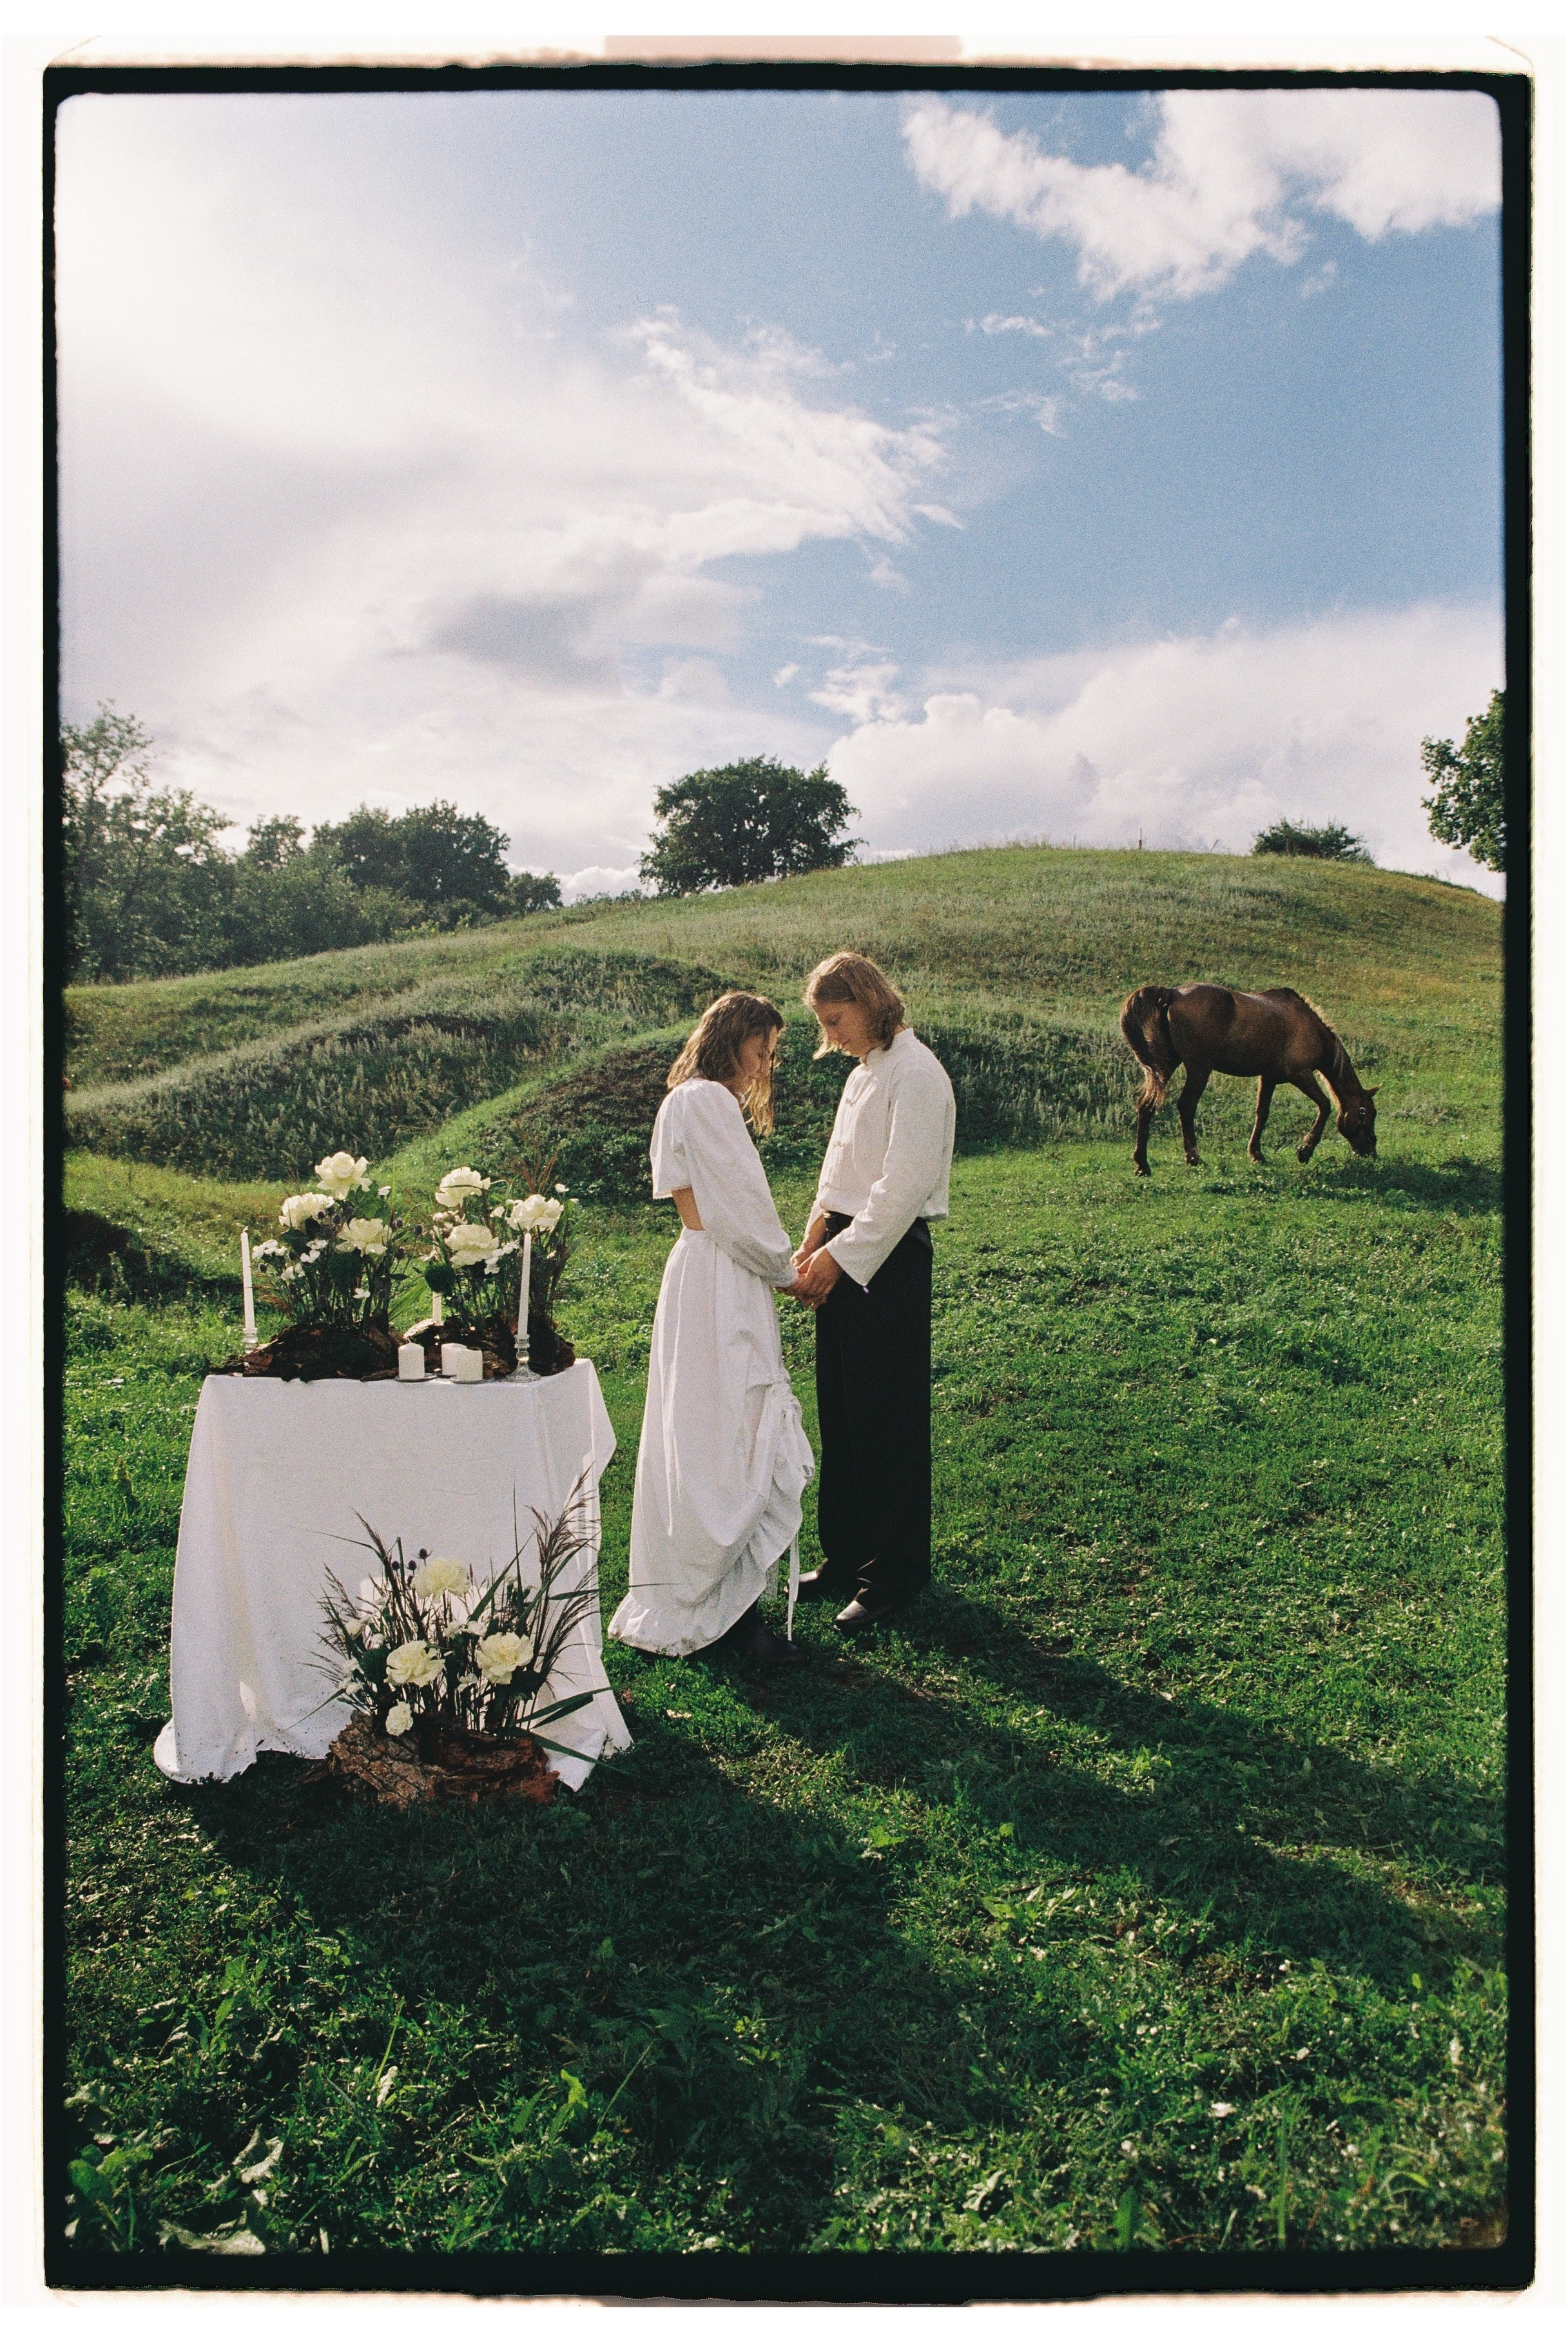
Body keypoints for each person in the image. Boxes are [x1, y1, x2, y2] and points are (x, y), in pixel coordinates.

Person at [608, 991, 813, 1671]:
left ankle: (714, 1598)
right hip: (721, 1275)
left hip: (700, 1271)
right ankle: (724, 1611)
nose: (763, 1067)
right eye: (759, 1050)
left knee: (702, 1428)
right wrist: (785, 1269)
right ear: (731, 1040)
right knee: (728, 1430)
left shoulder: (682, 1101)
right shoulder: (707, 1102)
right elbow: (739, 1205)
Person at [790, 953, 956, 1634]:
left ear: (868, 1001)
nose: (831, 1036)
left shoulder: (916, 1073)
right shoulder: (863, 1073)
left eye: (837, 1020)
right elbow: (840, 1170)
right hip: (845, 1242)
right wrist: (813, 1235)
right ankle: (847, 1554)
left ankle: (893, 1573)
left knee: (886, 1416)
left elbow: (901, 1188)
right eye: (824, 1025)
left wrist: (839, 1257)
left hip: (888, 1254)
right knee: (844, 1411)